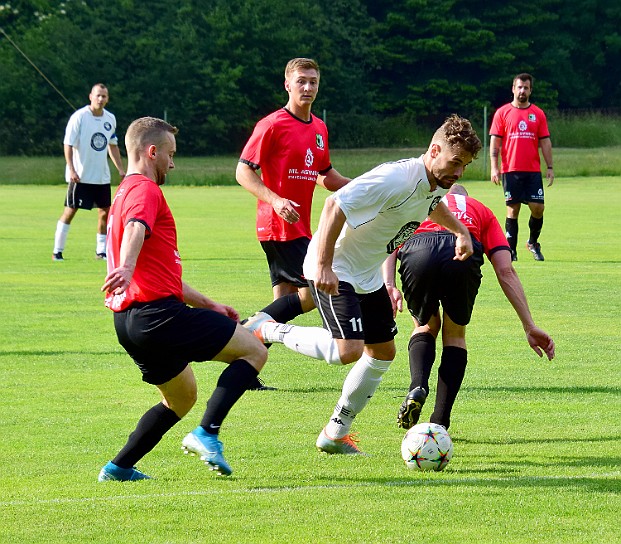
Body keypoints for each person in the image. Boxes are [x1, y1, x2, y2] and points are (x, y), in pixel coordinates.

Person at [244, 114, 482, 454]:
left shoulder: (433, 183)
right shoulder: (396, 177)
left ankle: (335, 432)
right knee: (349, 350)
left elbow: (432, 206)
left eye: (465, 166)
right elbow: (333, 204)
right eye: (455, 162)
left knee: (382, 352)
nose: (458, 172)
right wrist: (324, 265)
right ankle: (266, 329)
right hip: (337, 265)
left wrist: (460, 231)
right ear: (434, 150)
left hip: (366, 272)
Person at [98, 117, 268, 481]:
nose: (172, 164)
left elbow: (162, 271)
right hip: (158, 315)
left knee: (181, 398)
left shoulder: (123, 192)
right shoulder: (145, 190)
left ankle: (118, 467)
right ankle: (207, 433)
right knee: (254, 350)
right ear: (152, 151)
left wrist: (208, 304)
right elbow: (136, 229)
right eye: (170, 155)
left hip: (128, 323)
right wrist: (126, 267)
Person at [385, 184, 556, 431]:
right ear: (466, 197)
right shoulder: (480, 209)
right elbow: (505, 270)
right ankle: (440, 420)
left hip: (419, 249)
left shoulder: (425, 202)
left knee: (425, 326)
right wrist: (528, 325)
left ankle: (418, 386)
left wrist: (389, 284)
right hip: (461, 251)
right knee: (454, 335)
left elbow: (390, 245)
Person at [236, 57, 349, 390]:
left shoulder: (319, 128)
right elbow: (243, 171)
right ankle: (248, 328)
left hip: (300, 227)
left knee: (281, 304)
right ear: (287, 84)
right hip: (278, 225)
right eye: (301, 81)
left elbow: (326, 176)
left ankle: (245, 367)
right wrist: (276, 200)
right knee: (318, 289)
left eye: (313, 81)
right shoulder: (271, 124)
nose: (308, 87)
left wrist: (366, 185)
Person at [52, 83, 126, 261]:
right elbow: (68, 144)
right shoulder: (79, 117)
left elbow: (112, 146)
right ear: (90, 96)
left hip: (101, 177)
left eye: (104, 96)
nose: (101, 99)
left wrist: (121, 169)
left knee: (105, 212)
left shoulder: (110, 119)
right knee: (70, 211)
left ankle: (101, 251)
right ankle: (57, 251)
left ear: (107, 99)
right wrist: (72, 169)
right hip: (80, 176)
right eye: (98, 95)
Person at [490, 73, 554, 262]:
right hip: (510, 170)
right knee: (513, 209)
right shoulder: (502, 113)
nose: (522, 90)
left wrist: (550, 166)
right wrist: (494, 167)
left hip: (532, 170)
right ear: (513, 88)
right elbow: (495, 143)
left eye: (526, 87)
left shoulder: (538, 114)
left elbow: (545, 142)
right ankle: (511, 251)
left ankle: (533, 242)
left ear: (530, 90)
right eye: (519, 87)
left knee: (538, 208)